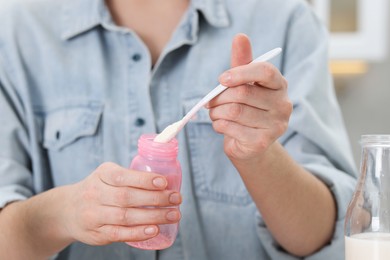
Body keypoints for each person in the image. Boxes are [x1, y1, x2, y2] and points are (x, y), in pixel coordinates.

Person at [0, 0, 357, 259]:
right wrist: (63, 212)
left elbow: (325, 238)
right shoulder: (16, 32)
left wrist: (260, 156)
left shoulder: (285, 19)